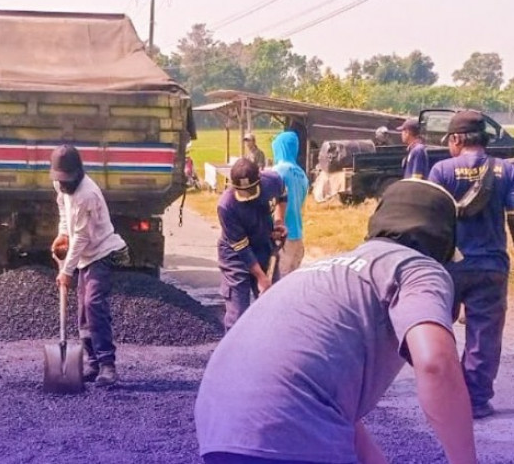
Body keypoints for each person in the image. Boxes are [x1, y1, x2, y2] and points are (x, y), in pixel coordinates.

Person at [196, 179, 477, 464]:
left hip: (220, 431)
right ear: (442, 249)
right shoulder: (414, 266)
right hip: (288, 431)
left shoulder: (331, 272)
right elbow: (436, 364)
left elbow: (321, 402)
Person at [428, 109, 514, 420]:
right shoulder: (505, 170)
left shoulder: (441, 170)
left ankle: (443, 396)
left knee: (438, 328)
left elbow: (431, 220)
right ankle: (476, 401)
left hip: (448, 265)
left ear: (455, 139)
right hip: (491, 265)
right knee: (484, 334)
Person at [50, 144, 130, 387]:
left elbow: (82, 237)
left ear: (78, 172)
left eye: (68, 179)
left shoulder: (87, 194)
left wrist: (66, 271)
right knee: (83, 310)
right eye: (60, 179)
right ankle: (93, 362)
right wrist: (62, 234)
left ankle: (108, 366)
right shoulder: (61, 184)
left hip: (104, 251)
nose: (64, 184)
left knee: (93, 302)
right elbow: (64, 213)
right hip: (85, 255)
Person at [216, 157, 287, 331]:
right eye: (242, 191)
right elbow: (242, 247)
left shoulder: (273, 181)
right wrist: (261, 278)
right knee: (238, 313)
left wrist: (278, 222)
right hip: (235, 256)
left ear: (259, 181)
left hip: (264, 245)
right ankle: (233, 354)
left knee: (272, 308)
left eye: (250, 190)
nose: (246, 194)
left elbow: (283, 195)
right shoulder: (227, 206)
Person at [271, 131, 309, 278]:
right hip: (297, 234)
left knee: (276, 283)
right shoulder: (302, 175)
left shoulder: (277, 171)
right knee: (290, 282)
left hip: (281, 236)